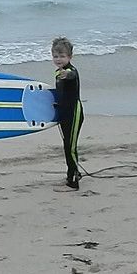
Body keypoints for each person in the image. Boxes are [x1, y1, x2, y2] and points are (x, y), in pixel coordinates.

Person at [51, 37, 84, 191]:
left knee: (70, 146)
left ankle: (74, 181)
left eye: (62, 56)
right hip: (64, 113)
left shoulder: (70, 71)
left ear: (70, 57)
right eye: (56, 56)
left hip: (74, 113)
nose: (58, 59)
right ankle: (72, 172)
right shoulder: (58, 73)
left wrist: (66, 74)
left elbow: (71, 76)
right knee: (67, 145)